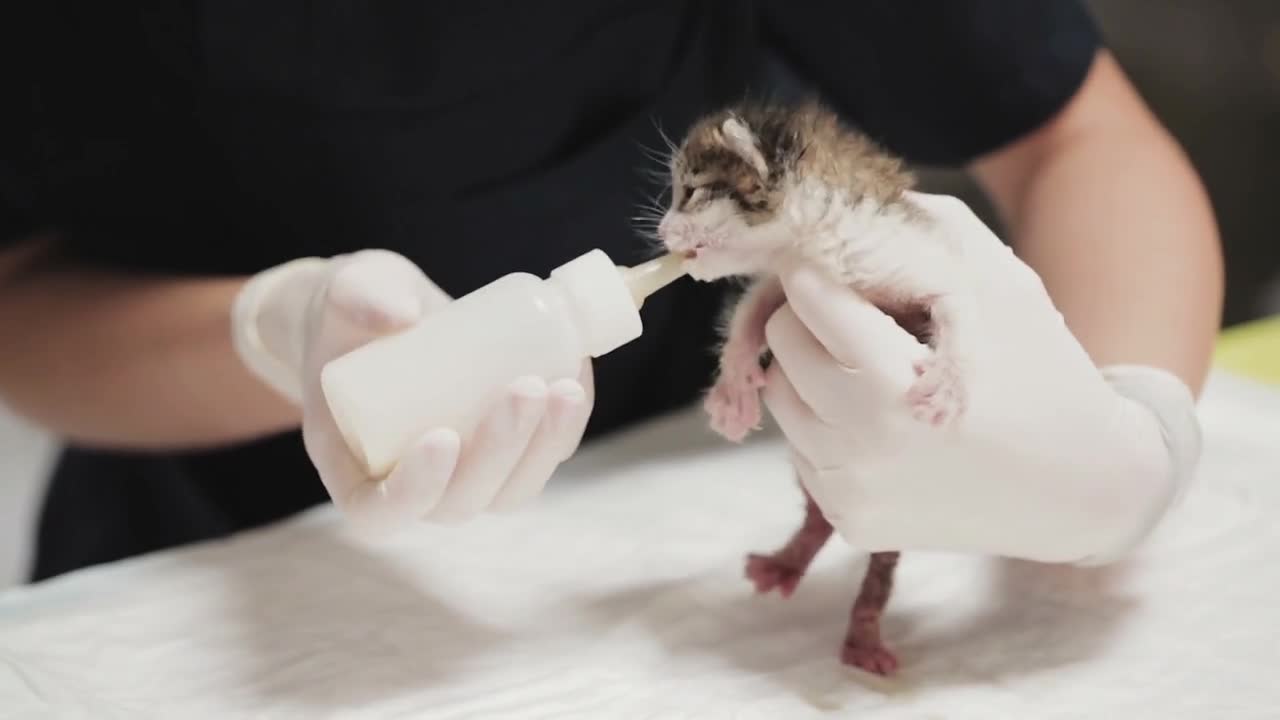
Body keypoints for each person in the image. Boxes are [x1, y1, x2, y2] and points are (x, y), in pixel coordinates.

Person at [0, 2, 1218, 581]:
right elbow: (22, 302)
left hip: (676, 518)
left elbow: (1074, 140)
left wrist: (1129, 441)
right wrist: (268, 337)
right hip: (213, 544)